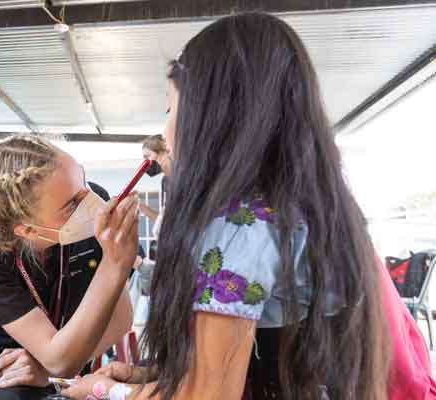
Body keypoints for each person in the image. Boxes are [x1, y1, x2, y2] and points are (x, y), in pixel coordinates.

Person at [62, 12, 389, 400]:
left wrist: (101, 390)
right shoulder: (315, 209)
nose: (166, 132)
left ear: (214, 112)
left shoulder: (239, 223)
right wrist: (149, 375)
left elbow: (210, 395)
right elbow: (259, 355)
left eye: (170, 109)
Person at [0, 135, 139, 400]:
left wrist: (53, 368)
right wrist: (113, 263)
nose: (92, 205)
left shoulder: (95, 209)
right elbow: (58, 359)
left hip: (64, 343)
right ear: (26, 229)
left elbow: (120, 319)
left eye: (83, 181)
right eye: (71, 204)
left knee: (15, 397)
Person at [138, 134, 170, 226]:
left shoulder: (180, 178)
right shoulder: (165, 181)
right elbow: (165, 222)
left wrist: (143, 208)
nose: (145, 162)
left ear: (163, 152)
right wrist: (141, 207)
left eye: (147, 156)